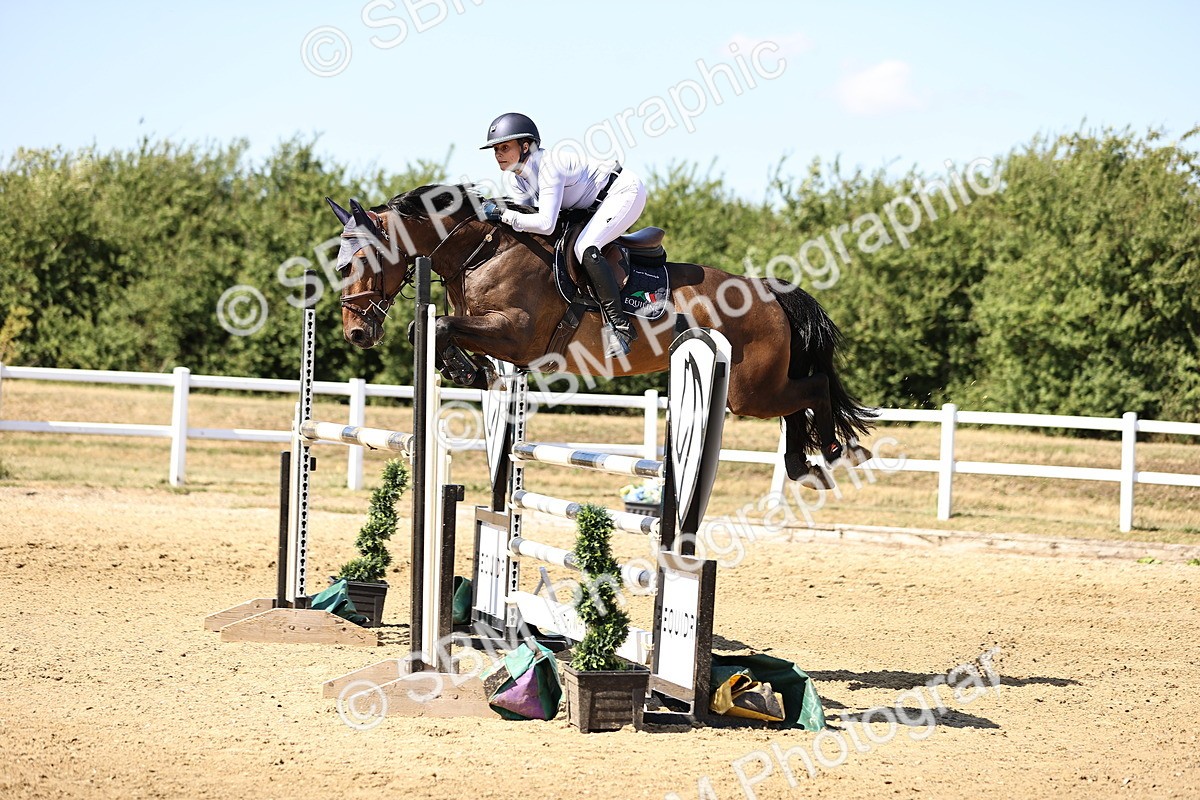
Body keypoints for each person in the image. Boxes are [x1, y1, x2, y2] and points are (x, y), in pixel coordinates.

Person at [478, 112, 646, 358]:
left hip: (622, 193)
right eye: (495, 149)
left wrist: (503, 214)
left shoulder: (549, 166)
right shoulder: (515, 179)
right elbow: (526, 222)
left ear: (525, 146)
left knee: (585, 247)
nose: (498, 154)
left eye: (505, 147)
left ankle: (620, 326)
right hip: (585, 206)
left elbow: (546, 224)